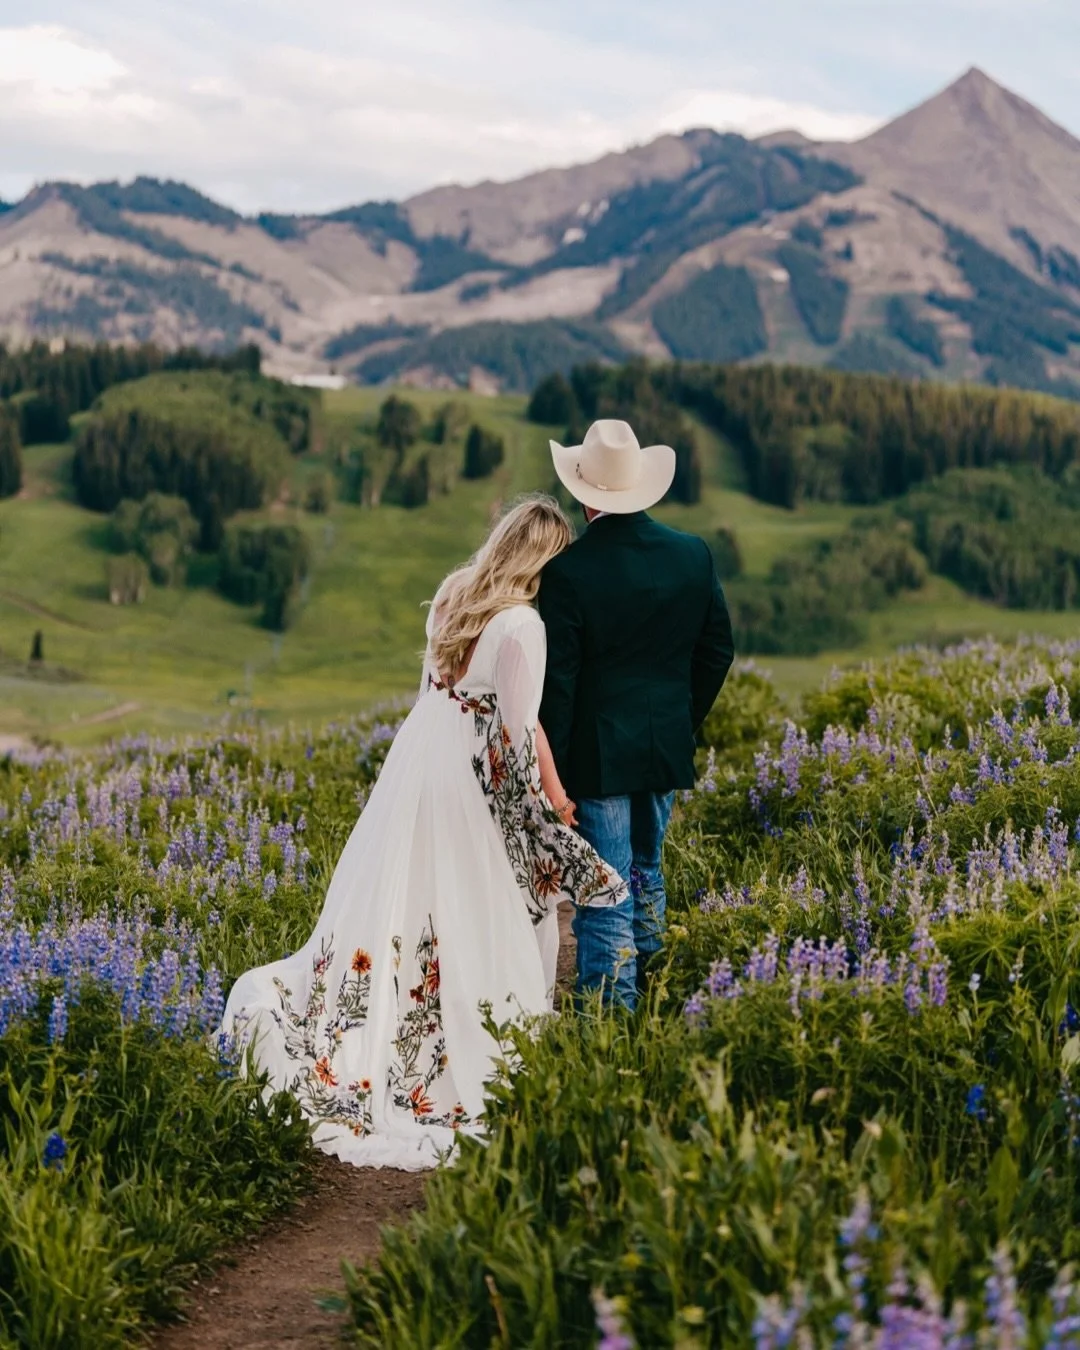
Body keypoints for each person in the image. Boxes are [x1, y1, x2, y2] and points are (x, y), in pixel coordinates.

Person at [220, 497, 626, 1170]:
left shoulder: (452, 592)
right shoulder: (524, 624)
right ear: (546, 561)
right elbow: (516, 731)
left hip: (419, 752)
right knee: (476, 900)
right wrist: (546, 807)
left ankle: (385, 1023)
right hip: (469, 769)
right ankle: (449, 1044)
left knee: (406, 895)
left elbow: (431, 690)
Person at [538, 419, 735, 1010]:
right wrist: (681, 719)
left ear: (584, 494)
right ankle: (657, 997)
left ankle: (610, 1022)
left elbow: (561, 686)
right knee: (648, 872)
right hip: (664, 748)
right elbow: (717, 652)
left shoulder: (569, 572)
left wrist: (558, 775)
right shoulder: (691, 555)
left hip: (598, 760)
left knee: (605, 890)